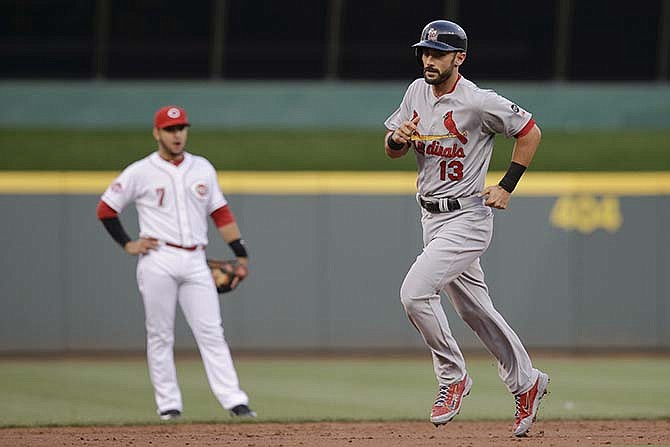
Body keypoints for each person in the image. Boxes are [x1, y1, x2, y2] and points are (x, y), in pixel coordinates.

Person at [383, 20, 548, 437]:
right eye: (424, 52)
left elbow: (530, 133)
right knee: (475, 310)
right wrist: (398, 139)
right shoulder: (416, 91)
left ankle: (452, 376)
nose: (428, 60)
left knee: (415, 293)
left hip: (468, 216)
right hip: (430, 216)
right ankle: (526, 382)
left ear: (459, 58)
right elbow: (392, 151)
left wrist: (507, 186)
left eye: (438, 54)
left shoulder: (478, 101)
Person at [96, 105, 256, 421]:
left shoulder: (202, 168)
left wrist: (240, 252)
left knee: (212, 332)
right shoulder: (141, 171)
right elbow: (106, 209)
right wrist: (128, 243)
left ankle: (235, 401)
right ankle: (169, 405)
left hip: (196, 257)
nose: (177, 134)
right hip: (158, 258)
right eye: (170, 129)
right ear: (157, 133)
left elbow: (220, 212)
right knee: (160, 334)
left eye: (181, 128)